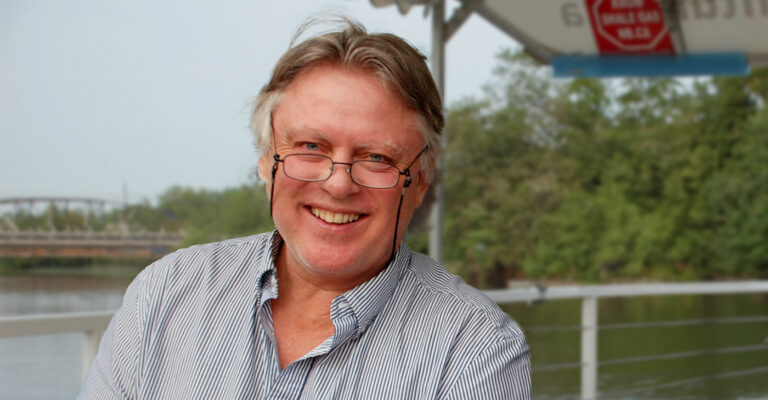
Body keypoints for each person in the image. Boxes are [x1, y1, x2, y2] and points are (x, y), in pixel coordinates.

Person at [79, 18, 531, 399]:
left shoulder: (476, 351)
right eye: (310, 147)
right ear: (265, 160)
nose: (338, 183)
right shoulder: (164, 296)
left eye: (377, 158)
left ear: (420, 185)